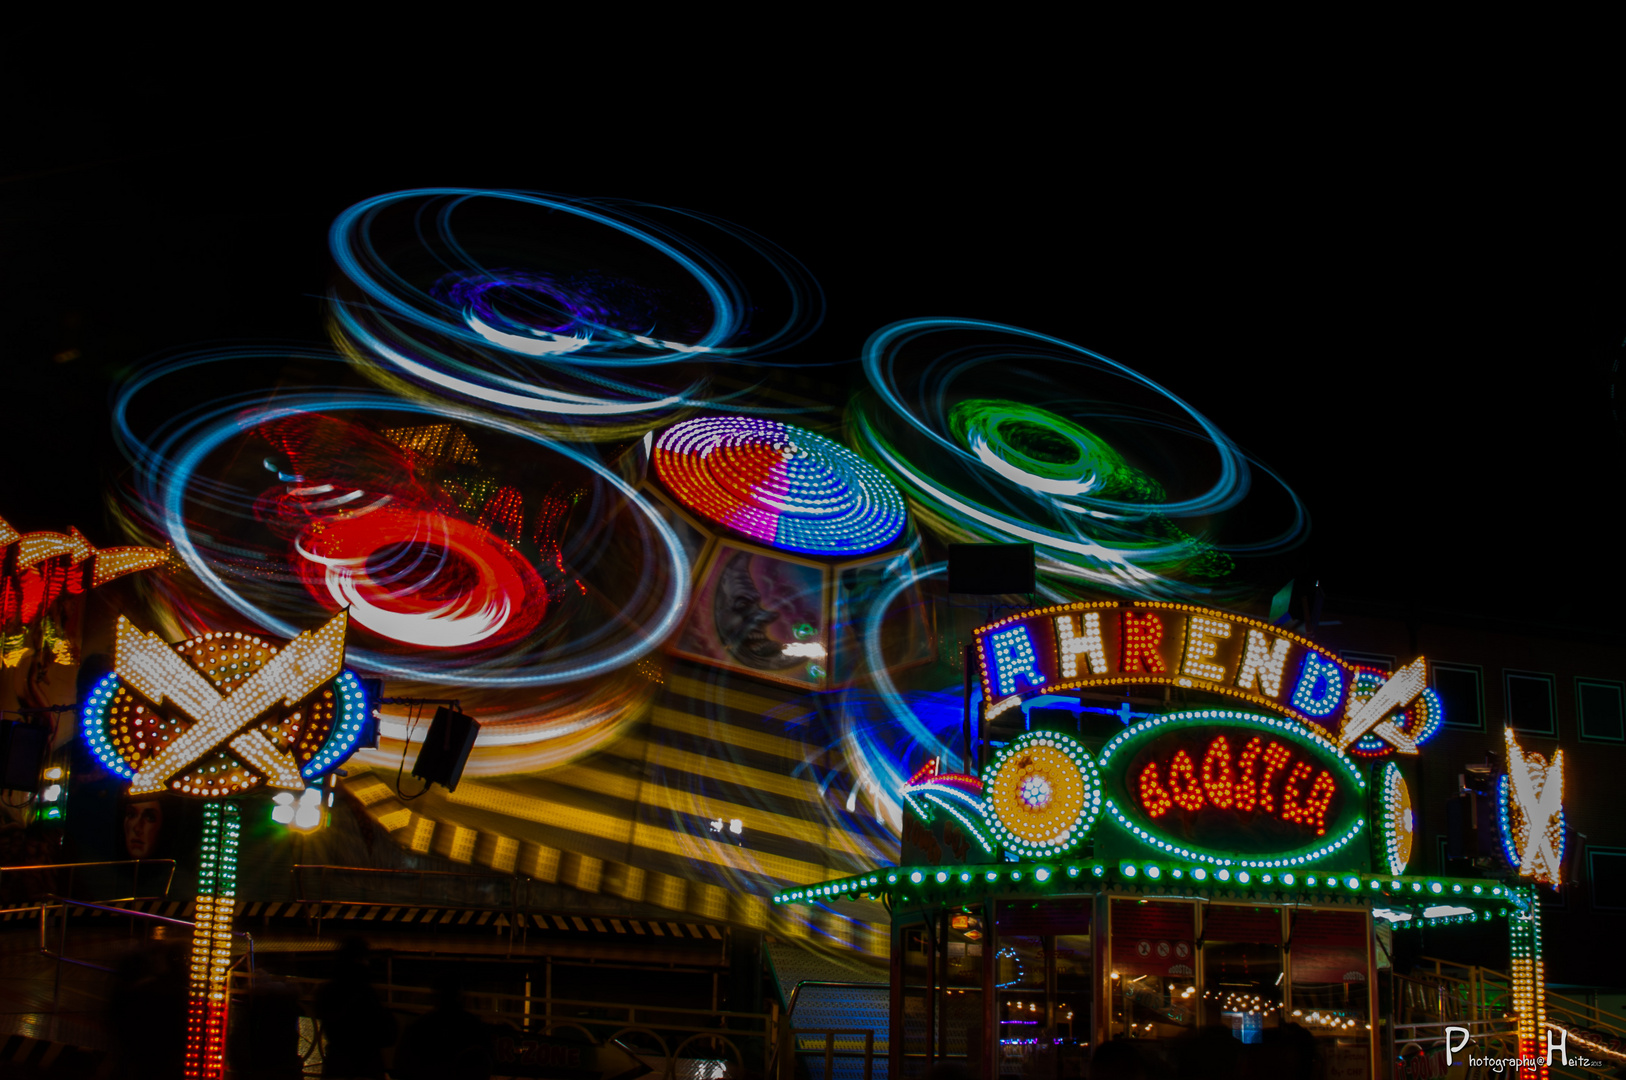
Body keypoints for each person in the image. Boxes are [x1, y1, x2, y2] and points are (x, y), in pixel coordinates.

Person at [313, 938, 395, 1079]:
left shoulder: (327, 990)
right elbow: (387, 1033)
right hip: (366, 1064)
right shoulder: (366, 992)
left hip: (337, 1063)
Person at [393, 972, 492, 1080]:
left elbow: (401, 1067)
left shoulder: (419, 1027)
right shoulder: (475, 1027)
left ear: (435, 995)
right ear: (460, 996)